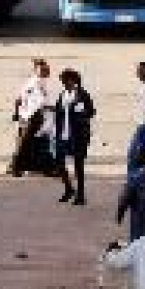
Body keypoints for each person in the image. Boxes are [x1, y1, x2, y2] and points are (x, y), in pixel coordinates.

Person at [55, 68, 96, 206]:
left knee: (78, 165)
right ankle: (68, 188)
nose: (63, 84)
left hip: (78, 135)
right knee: (59, 162)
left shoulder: (82, 94)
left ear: (72, 80)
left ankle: (81, 195)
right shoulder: (62, 95)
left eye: (65, 81)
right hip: (63, 134)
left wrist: (81, 112)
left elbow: (91, 111)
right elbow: (58, 112)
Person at [9, 58, 55, 177]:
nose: (46, 71)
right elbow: (39, 103)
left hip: (31, 117)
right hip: (33, 117)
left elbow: (19, 99)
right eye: (43, 69)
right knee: (26, 144)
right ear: (36, 70)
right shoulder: (36, 83)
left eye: (46, 69)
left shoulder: (36, 82)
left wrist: (17, 114)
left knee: (38, 143)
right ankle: (15, 167)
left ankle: (44, 168)